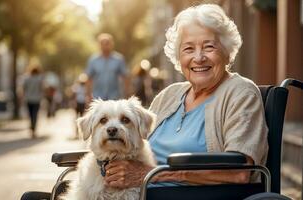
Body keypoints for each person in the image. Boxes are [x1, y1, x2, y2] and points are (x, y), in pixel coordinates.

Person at [104, 4, 268, 188]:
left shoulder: (241, 93)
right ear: (178, 57)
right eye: (188, 49)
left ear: (227, 52)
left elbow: (238, 173)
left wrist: (153, 175)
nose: (198, 57)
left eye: (209, 47)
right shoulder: (168, 95)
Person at [85, 33, 129, 102]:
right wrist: (88, 96)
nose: (105, 46)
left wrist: (126, 95)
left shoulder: (119, 59)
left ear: (112, 44)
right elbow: (88, 79)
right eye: (102, 43)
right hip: (98, 99)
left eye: (107, 43)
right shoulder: (93, 60)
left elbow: (125, 77)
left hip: (114, 98)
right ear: (99, 45)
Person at [23, 65, 44, 139]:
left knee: (30, 115)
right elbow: (42, 88)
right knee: (35, 115)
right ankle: (33, 129)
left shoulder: (27, 78)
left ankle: (32, 127)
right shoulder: (39, 79)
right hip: (37, 99)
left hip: (28, 99)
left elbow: (23, 88)